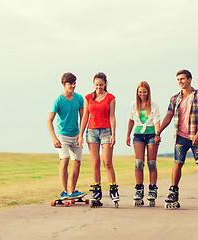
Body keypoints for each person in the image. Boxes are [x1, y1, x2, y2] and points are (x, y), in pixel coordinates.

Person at [157, 69, 198, 209]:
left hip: (197, 136)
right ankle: (173, 192)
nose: (180, 82)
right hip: (180, 136)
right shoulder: (175, 98)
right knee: (177, 164)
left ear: (189, 79)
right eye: (178, 80)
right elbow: (168, 116)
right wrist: (158, 130)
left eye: (182, 79)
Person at [78, 72, 119, 206]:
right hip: (92, 132)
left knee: (107, 162)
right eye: (96, 85)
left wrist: (113, 134)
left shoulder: (111, 98)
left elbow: (112, 116)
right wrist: (80, 135)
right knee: (95, 162)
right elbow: (84, 117)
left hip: (106, 131)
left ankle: (113, 189)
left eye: (101, 85)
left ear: (105, 84)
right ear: (93, 84)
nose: (99, 87)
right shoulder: (88, 98)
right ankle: (96, 190)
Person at [47, 72, 85, 200]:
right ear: (64, 84)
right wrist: (54, 138)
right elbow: (49, 121)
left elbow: (83, 117)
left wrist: (81, 134)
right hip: (62, 135)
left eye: (74, 83)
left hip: (76, 135)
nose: (73, 86)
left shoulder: (79, 98)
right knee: (65, 160)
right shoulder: (58, 101)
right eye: (70, 84)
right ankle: (64, 192)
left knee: (77, 163)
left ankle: (72, 191)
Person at [126, 81, 161, 206]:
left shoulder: (154, 105)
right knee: (138, 163)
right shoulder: (133, 105)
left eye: (144, 92)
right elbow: (131, 120)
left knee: (151, 163)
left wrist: (158, 134)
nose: (142, 94)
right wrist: (128, 135)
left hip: (152, 134)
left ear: (148, 92)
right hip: (138, 135)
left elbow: (157, 121)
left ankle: (152, 189)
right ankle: (139, 189)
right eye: (140, 92)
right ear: (137, 92)